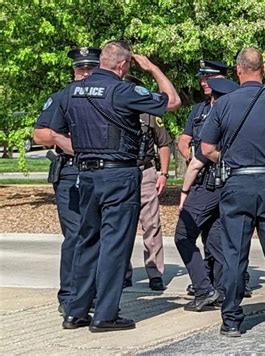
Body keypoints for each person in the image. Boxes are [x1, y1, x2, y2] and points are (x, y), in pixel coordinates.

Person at [49, 40, 181, 332]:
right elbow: (172, 101)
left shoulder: (70, 92)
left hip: (85, 176)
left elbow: (52, 132)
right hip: (119, 176)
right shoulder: (123, 90)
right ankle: (105, 315)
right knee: (114, 246)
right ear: (123, 66)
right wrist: (154, 69)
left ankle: (75, 312)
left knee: (86, 242)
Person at [200, 48, 265, 337]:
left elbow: (206, 149)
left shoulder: (223, 104)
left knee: (234, 254)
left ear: (238, 70)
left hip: (237, 184)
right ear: (264, 69)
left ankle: (232, 319)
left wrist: (229, 158)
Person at [34, 47, 101, 316]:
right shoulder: (62, 97)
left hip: (102, 173)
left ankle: (91, 294)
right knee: (75, 235)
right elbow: (40, 134)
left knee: (97, 235)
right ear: (74, 71)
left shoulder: (106, 95)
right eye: (80, 69)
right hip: (71, 172)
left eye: (90, 68)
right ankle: (71, 296)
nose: (85, 73)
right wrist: (65, 141)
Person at [174, 77, 239, 312]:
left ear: (214, 100)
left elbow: (196, 163)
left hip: (208, 185)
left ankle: (204, 289)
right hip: (229, 187)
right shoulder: (238, 122)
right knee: (215, 238)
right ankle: (222, 290)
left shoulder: (215, 122)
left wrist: (184, 192)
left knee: (183, 235)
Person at [122, 74, 172, 292]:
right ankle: (123, 272)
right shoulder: (114, 112)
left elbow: (163, 143)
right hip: (122, 171)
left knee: (151, 223)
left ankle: (154, 272)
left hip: (145, 171)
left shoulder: (149, 113)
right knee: (122, 224)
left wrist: (164, 173)